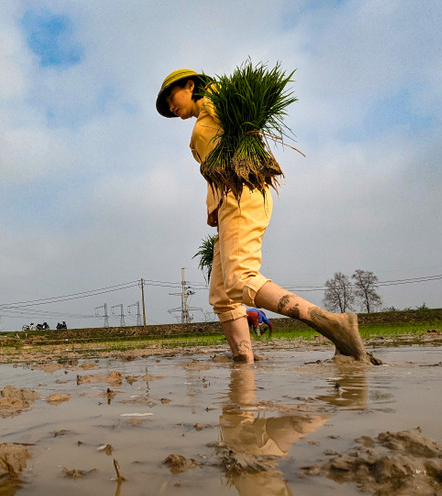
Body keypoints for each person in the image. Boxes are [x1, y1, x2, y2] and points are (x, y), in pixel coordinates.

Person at [156, 69, 375, 364]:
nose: (171, 106)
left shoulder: (215, 103)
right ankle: (244, 359)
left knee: (240, 279)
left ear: (191, 85)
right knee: (223, 295)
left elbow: (230, 102)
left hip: (241, 193)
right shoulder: (202, 120)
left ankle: (335, 324)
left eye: (171, 96)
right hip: (226, 206)